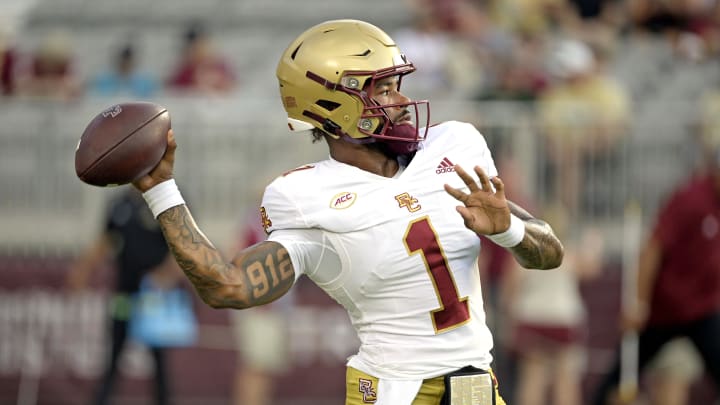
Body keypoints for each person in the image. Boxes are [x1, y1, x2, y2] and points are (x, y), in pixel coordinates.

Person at [130, 19, 563, 404]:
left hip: (477, 391)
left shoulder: (454, 145)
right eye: (385, 89)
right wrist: (162, 191)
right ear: (335, 106)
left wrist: (509, 232)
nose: (401, 101)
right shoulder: (305, 195)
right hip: (396, 392)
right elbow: (229, 287)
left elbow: (550, 254)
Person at [591, 144, 720, 405]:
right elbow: (652, 250)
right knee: (615, 382)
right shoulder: (691, 198)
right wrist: (638, 303)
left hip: (703, 310)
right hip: (663, 310)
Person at [66, 187, 183, 405]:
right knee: (115, 349)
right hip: (124, 294)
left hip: (153, 297)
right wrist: (83, 270)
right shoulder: (119, 205)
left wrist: (167, 275)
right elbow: (105, 240)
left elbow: (184, 244)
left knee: (158, 356)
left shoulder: (167, 201)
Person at [89, 42, 160, 99]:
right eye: (123, 62)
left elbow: (152, 97)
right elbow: (97, 97)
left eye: (128, 62)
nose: (126, 64)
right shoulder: (104, 79)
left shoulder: (145, 80)